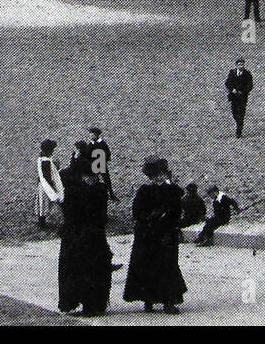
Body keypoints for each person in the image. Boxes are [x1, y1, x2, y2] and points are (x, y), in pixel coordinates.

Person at [57, 142, 114, 316]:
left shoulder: (75, 187)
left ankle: (78, 301)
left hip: (77, 233)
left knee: (77, 267)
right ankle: (92, 303)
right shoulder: (97, 190)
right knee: (92, 268)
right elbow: (101, 215)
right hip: (90, 233)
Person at [123, 158, 186, 314]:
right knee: (148, 266)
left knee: (168, 266)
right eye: (155, 175)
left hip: (166, 233)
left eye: (162, 174)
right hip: (148, 234)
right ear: (150, 176)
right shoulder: (144, 191)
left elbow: (177, 210)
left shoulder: (172, 190)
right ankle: (148, 300)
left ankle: (168, 301)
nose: (159, 177)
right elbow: (137, 212)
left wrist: (169, 221)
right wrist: (150, 217)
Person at [36, 139, 63, 227]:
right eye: (52, 149)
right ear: (49, 150)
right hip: (46, 185)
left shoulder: (42, 158)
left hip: (42, 184)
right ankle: (42, 222)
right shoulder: (46, 161)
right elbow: (47, 176)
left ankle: (42, 220)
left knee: (42, 203)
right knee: (46, 202)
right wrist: (53, 187)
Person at [87, 128, 118, 203]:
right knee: (93, 180)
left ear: (97, 135)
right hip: (94, 165)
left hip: (101, 164)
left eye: (92, 134)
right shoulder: (90, 144)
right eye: (90, 134)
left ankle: (111, 194)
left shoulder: (102, 143)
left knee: (107, 180)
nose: (91, 135)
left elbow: (108, 153)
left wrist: (104, 160)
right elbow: (87, 154)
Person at [225, 58, 253, 138]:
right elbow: (227, 83)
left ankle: (239, 131)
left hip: (242, 97)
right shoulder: (232, 73)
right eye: (239, 64)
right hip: (233, 97)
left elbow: (250, 86)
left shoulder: (247, 74)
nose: (241, 66)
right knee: (234, 113)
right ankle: (238, 123)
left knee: (241, 114)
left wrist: (243, 92)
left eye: (242, 64)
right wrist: (232, 90)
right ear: (236, 65)